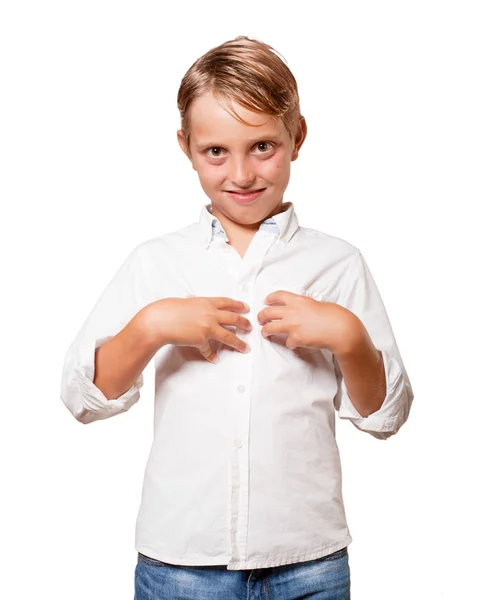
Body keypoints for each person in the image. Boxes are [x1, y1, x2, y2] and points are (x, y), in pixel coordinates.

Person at [60, 35, 414, 600]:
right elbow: (84, 397)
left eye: (263, 147)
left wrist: (348, 337)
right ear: (186, 145)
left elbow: (384, 415)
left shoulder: (338, 263)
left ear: (297, 137)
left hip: (309, 560)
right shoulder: (157, 262)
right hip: (181, 564)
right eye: (216, 151)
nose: (243, 174)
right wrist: (151, 325)